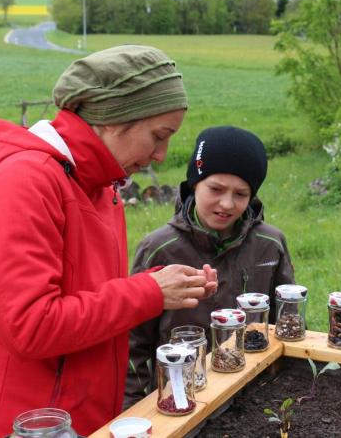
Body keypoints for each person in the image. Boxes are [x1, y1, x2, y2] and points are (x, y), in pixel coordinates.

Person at [0, 45, 219, 437]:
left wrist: (165, 283)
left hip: (79, 421)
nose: (161, 155)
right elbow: (32, 325)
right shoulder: (26, 181)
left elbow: (90, 299)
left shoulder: (98, 186)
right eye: (158, 136)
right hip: (29, 425)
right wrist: (148, 292)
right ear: (114, 118)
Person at [124, 126, 295, 407]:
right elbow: (134, 342)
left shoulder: (270, 243)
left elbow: (286, 321)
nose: (226, 204)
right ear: (194, 184)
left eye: (240, 194)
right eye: (215, 189)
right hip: (183, 397)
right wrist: (131, 409)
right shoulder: (159, 248)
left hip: (253, 393)